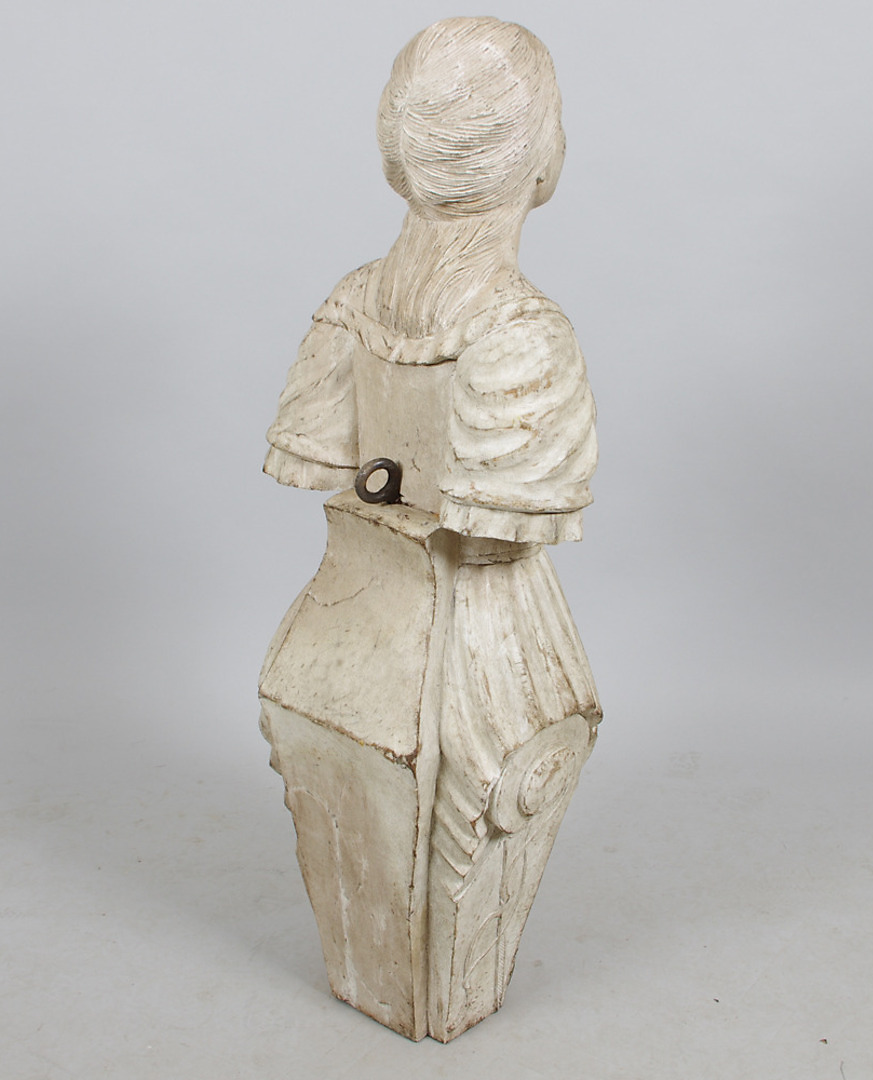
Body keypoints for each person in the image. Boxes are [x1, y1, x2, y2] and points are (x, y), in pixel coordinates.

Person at [259, 17, 601, 1042]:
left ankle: (392, 993)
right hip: (486, 665)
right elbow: (500, 532)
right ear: (541, 159)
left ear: (394, 155)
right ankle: (438, 1006)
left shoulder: (353, 304)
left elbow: (316, 463)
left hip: (340, 632)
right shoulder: (523, 333)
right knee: (481, 802)